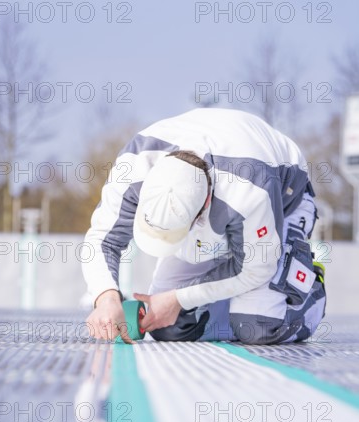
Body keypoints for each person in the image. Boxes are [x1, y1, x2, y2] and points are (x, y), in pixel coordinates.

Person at [82, 108, 326, 344]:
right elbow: (102, 240)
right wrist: (106, 297)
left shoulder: (250, 189)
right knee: (167, 325)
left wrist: (179, 298)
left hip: (283, 201)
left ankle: (306, 290)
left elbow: (256, 269)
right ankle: (237, 310)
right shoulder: (133, 167)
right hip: (223, 206)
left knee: (258, 325)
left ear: (205, 205)